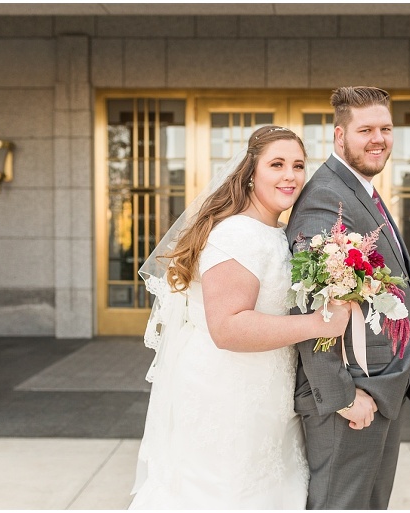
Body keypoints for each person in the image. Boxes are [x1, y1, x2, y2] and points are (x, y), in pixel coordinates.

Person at [130, 125, 351, 509]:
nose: (290, 175)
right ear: (251, 172)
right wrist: (317, 324)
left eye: (298, 165)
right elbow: (228, 327)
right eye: (277, 164)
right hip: (227, 397)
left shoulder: (278, 232)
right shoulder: (235, 235)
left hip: (269, 396)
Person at [285, 86, 410, 510]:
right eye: (366, 129)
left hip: (381, 386)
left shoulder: (360, 188)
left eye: (385, 128)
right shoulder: (326, 197)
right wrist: (342, 394)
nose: (378, 138)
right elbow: (310, 303)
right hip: (353, 394)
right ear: (339, 136)